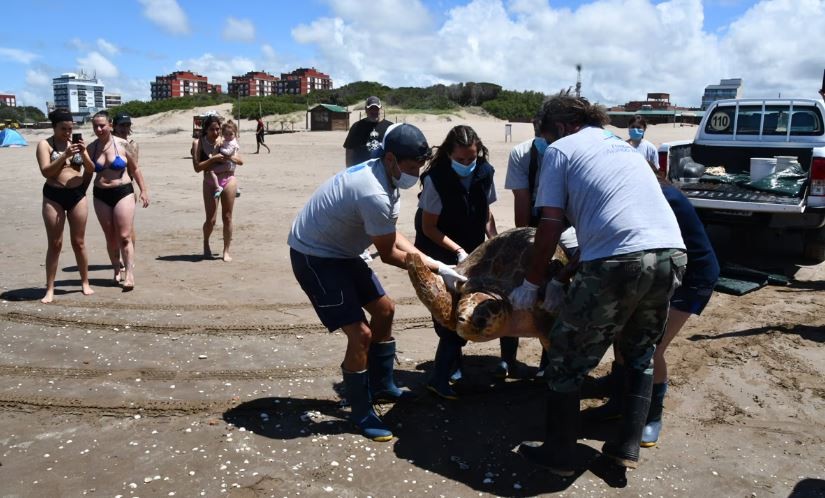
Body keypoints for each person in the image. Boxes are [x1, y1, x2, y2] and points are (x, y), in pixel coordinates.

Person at [509, 94, 686, 475]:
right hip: (670, 253)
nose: (546, 145)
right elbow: (613, 224)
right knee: (639, 353)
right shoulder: (623, 149)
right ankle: (625, 447)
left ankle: (558, 454)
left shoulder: (562, 151)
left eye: (545, 136)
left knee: (565, 359)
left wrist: (532, 281)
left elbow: (551, 224)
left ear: (559, 126)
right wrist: (567, 273)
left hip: (618, 262)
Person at [288, 123, 466, 441]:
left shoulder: (385, 177)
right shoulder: (371, 190)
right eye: (412, 167)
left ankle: (382, 385)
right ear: (390, 159)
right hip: (314, 256)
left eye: (420, 166)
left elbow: (392, 233)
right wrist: (436, 268)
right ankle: (361, 411)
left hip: (343, 251)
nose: (416, 172)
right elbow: (388, 253)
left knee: (385, 310)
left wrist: (434, 262)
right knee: (361, 335)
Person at [585, 170, 719, 448]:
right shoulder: (644, 193)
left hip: (692, 278)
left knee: (652, 347)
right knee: (623, 336)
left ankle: (652, 416)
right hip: (661, 270)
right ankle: (620, 402)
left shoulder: (661, 197)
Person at [413, 125, 498, 399]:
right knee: (448, 316)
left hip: (471, 249)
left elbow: (486, 212)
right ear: (449, 153)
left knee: (465, 309)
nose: (467, 164)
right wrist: (458, 251)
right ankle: (440, 377)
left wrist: (493, 242)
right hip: (437, 251)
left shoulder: (485, 172)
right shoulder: (435, 180)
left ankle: (452, 367)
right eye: (460, 160)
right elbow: (429, 228)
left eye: (471, 158)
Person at [503, 120, 580, 379]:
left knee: (559, 288)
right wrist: (525, 242)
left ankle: (549, 360)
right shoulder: (522, 154)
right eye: (538, 135)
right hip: (536, 219)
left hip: (567, 223)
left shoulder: (570, 153)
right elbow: (521, 200)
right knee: (515, 284)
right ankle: (507, 359)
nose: (542, 140)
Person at [36, 109, 96, 303]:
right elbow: (46, 172)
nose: (68, 133)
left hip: (77, 194)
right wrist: (64, 156)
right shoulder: (45, 145)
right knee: (55, 243)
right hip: (54, 195)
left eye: (70, 128)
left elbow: (90, 169)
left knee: (78, 242)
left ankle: (85, 282)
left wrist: (84, 153)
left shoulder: (75, 143)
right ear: (54, 127)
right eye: (64, 129)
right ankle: (50, 288)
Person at [89, 111, 150, 291]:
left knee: (124, 236)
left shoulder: (124, 145)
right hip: (100, 194)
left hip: (123, 191)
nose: (99, 129)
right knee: (110, 237)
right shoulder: (91, 148)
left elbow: (135, 169)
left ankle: (129, 274)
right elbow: (85, 172)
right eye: (95, 126)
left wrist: (144, 190)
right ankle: (116, 269)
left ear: (109, 125)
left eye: (102, 125)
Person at [191, 114, 243, 262]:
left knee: (227, 217)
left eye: (218, 129)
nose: (216, 133)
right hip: (210, 181)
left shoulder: (226, 140)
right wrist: (213, 159)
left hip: (228, 178)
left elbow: (240, 160)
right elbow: (197, 168)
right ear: (206, 130)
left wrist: (230, 157)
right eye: (212, 129)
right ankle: (206, 243)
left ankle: (226, 250)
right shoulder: (198, 143)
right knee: (211, 220)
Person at [112, 112, 138, 253]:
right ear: (114, 126)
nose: (125, 129)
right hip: (109, 189)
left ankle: (129, 255)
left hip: (127, 188)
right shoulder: (107, 143)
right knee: (114, 227)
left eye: (127, 125)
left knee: (128, 227)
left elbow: (134, 169)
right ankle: (119, 256)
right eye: (122, 125)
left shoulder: (132, 144)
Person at [343, 96, 393, 167]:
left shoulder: (390, 127)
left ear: (380, 108)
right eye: (371, 108)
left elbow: (394, 151)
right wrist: (349, 169)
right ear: (366, 109)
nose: (374, 111)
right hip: (360, 170)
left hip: (382, 171)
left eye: (376, 108)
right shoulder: (357, 127)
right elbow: (349, 149)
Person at [208, 120, 240, 198]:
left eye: (230, 134)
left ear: (235, 134)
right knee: (228, 176)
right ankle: (235, 188)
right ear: (223, 134)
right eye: (226, 134)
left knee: (212, 171)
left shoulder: (232, 143)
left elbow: (228, 152)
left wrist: (220, 149)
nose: (228, 136)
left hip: (228, 164)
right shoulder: (229, 141)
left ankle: (218, 187)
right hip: (230, 165)